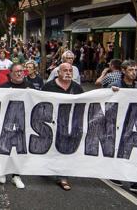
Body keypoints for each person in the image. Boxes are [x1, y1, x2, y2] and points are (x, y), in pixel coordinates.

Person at [107, 60, 137, 192]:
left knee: (133, 152)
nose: (134, 72)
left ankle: (135, 181)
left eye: (136, 70)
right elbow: (106, 102)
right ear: (123, 71)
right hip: (117, 122)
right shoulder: (115, 84)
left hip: (133, 123)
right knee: (118, 149)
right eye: (131, 70)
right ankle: (115, 174)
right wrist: (111, 91)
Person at [42, 62, 84, 191]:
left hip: (69, 125)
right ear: (58, 73)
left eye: (70, 70)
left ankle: (63, 177)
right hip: (51, 124)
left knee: (65, 149)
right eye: (65, 70)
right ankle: (47, 167)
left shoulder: (77, 88)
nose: (68, 73)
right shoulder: (48, 86)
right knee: (50, 149)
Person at [0, 63, 31, 189]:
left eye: (21, 71)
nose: (19, 73)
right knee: (5, 148)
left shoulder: (29, 86)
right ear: (10, 73)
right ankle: (2, 171)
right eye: (16, 71)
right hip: (6, 123)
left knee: (19, 150)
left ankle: (16, 175)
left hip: (23, 123)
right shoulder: (3, 87)